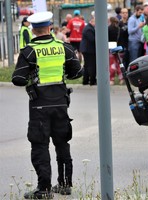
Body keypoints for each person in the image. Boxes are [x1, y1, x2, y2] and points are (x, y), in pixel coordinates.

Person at [11, 11, 83, 199]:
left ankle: (44, 189)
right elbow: (77, 73)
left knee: (40, 146)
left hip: (39, 106)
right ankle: (65, 185)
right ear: (50, 27)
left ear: (33, 30)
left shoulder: (29, 51)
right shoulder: (64, 47)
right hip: (61, 103)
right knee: (62, 143)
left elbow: (17, 79)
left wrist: (31, 76)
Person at [80, 17, 96, 85]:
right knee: (91, 65)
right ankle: (92, 80)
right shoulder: (89, 29)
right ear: (92, 21)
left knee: (87, 65)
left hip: (86, 49)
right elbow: (92, 39)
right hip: (89, 50)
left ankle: (85, 80)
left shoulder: (88, 28)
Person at [108, 16, 124, 85]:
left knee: (112, 64)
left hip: (110, 47)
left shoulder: (108, 28)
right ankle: (121, 79)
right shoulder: (118, 29)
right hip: (118, 47)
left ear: (110, 21)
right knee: (119, 63)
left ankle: (111, 79)